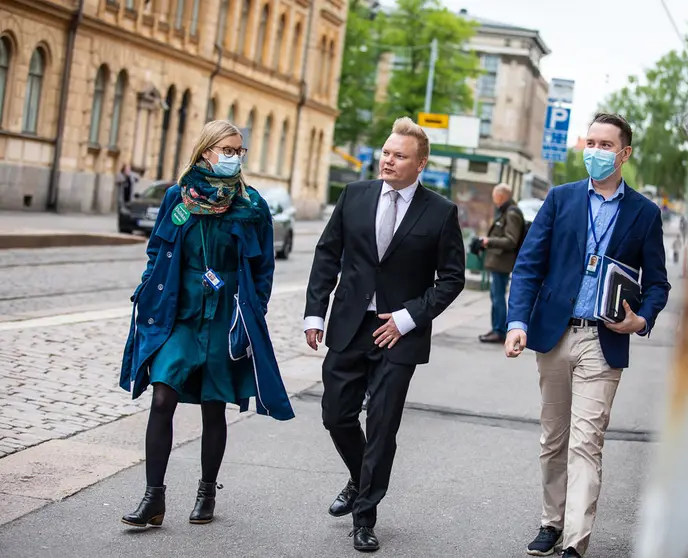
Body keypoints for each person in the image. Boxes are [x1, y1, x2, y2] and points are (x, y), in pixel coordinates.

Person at [505, 113, 670, 557]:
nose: (594, 151)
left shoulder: (644, 213)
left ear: (624, 153)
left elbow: (658, 283)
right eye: (590, 142)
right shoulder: (560, 199)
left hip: (604, 340)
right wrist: (517, 323)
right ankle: (550, 521)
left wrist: (643, 319)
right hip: (555, 336)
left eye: (604, 144)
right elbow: (528, 267)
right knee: (553, 438)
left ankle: (574, 543)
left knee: (585, 441)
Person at [119, 120, 294, 529]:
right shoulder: (175, 198)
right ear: (205, 152)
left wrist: (253, 311)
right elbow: (157, 250)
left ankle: (206, 491)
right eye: (227, 150)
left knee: (214, 406)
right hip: (180, 316)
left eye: (239, 151)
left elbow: (264, 266)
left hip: (224, 317)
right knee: (163, 397)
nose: (234, 157)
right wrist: (149, 289)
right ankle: (153, 498)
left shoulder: (252, 206)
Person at [303, 117, 465, 552]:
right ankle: (361, 479)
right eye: (387, 153)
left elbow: (451, 279)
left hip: (399, 335)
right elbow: (327, 255)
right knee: (335, 415)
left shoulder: (441, 212)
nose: (389, 160)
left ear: (421, 164)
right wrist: (314, 314)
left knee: (381, 425)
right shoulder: (355, 195)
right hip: (350, 326)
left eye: (399, 156)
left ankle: (365, 516)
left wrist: (408, 318)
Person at [478, 183, 525, 344]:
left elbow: (511, 240)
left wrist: (489, 241)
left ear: (501, 196)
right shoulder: (506, 211)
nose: (493, 198)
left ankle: (499, 330)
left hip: (502, 263)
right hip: (498, 262)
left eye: (495, 195)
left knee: (498, 297)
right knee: (495, 296)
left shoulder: (511, 213)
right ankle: (496, 328)